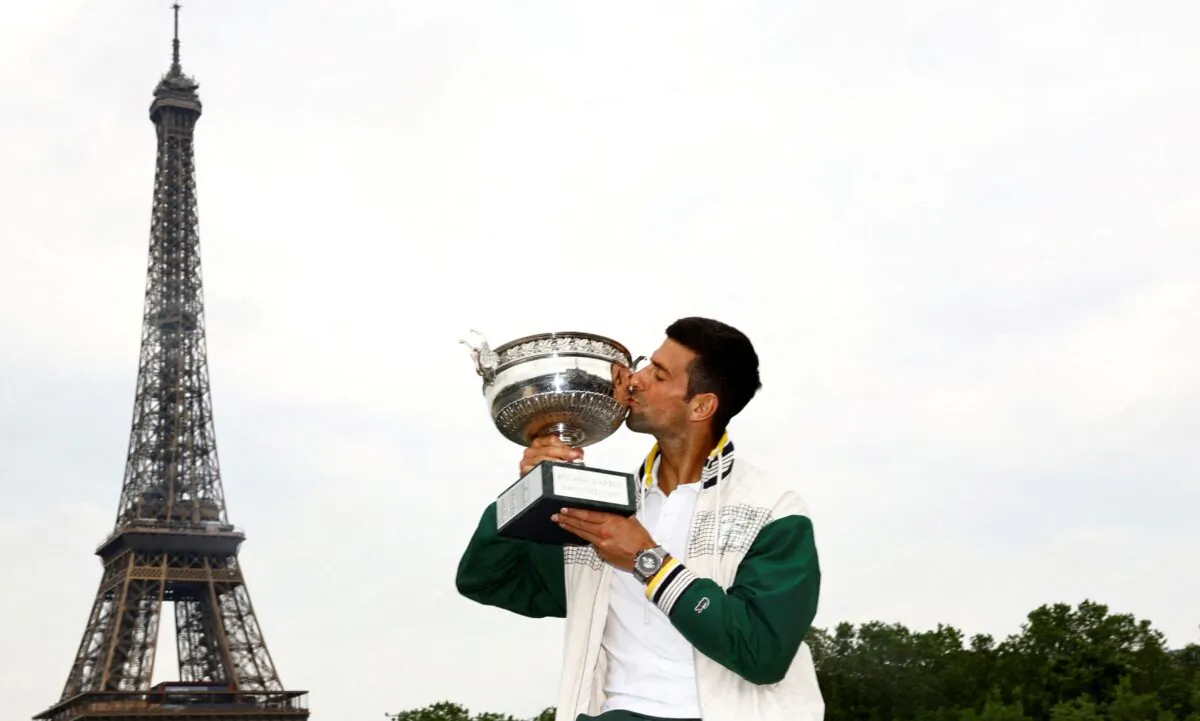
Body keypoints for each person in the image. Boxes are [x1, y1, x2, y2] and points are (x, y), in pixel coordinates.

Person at [455, 317, 823, 721]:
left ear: (701, 406)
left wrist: (649, 561)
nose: (635, 379)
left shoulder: (772, 509)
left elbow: (763, 655)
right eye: (647, 363)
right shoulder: (602, 507)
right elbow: (487, 578)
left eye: (658, 374)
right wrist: (530, 487)